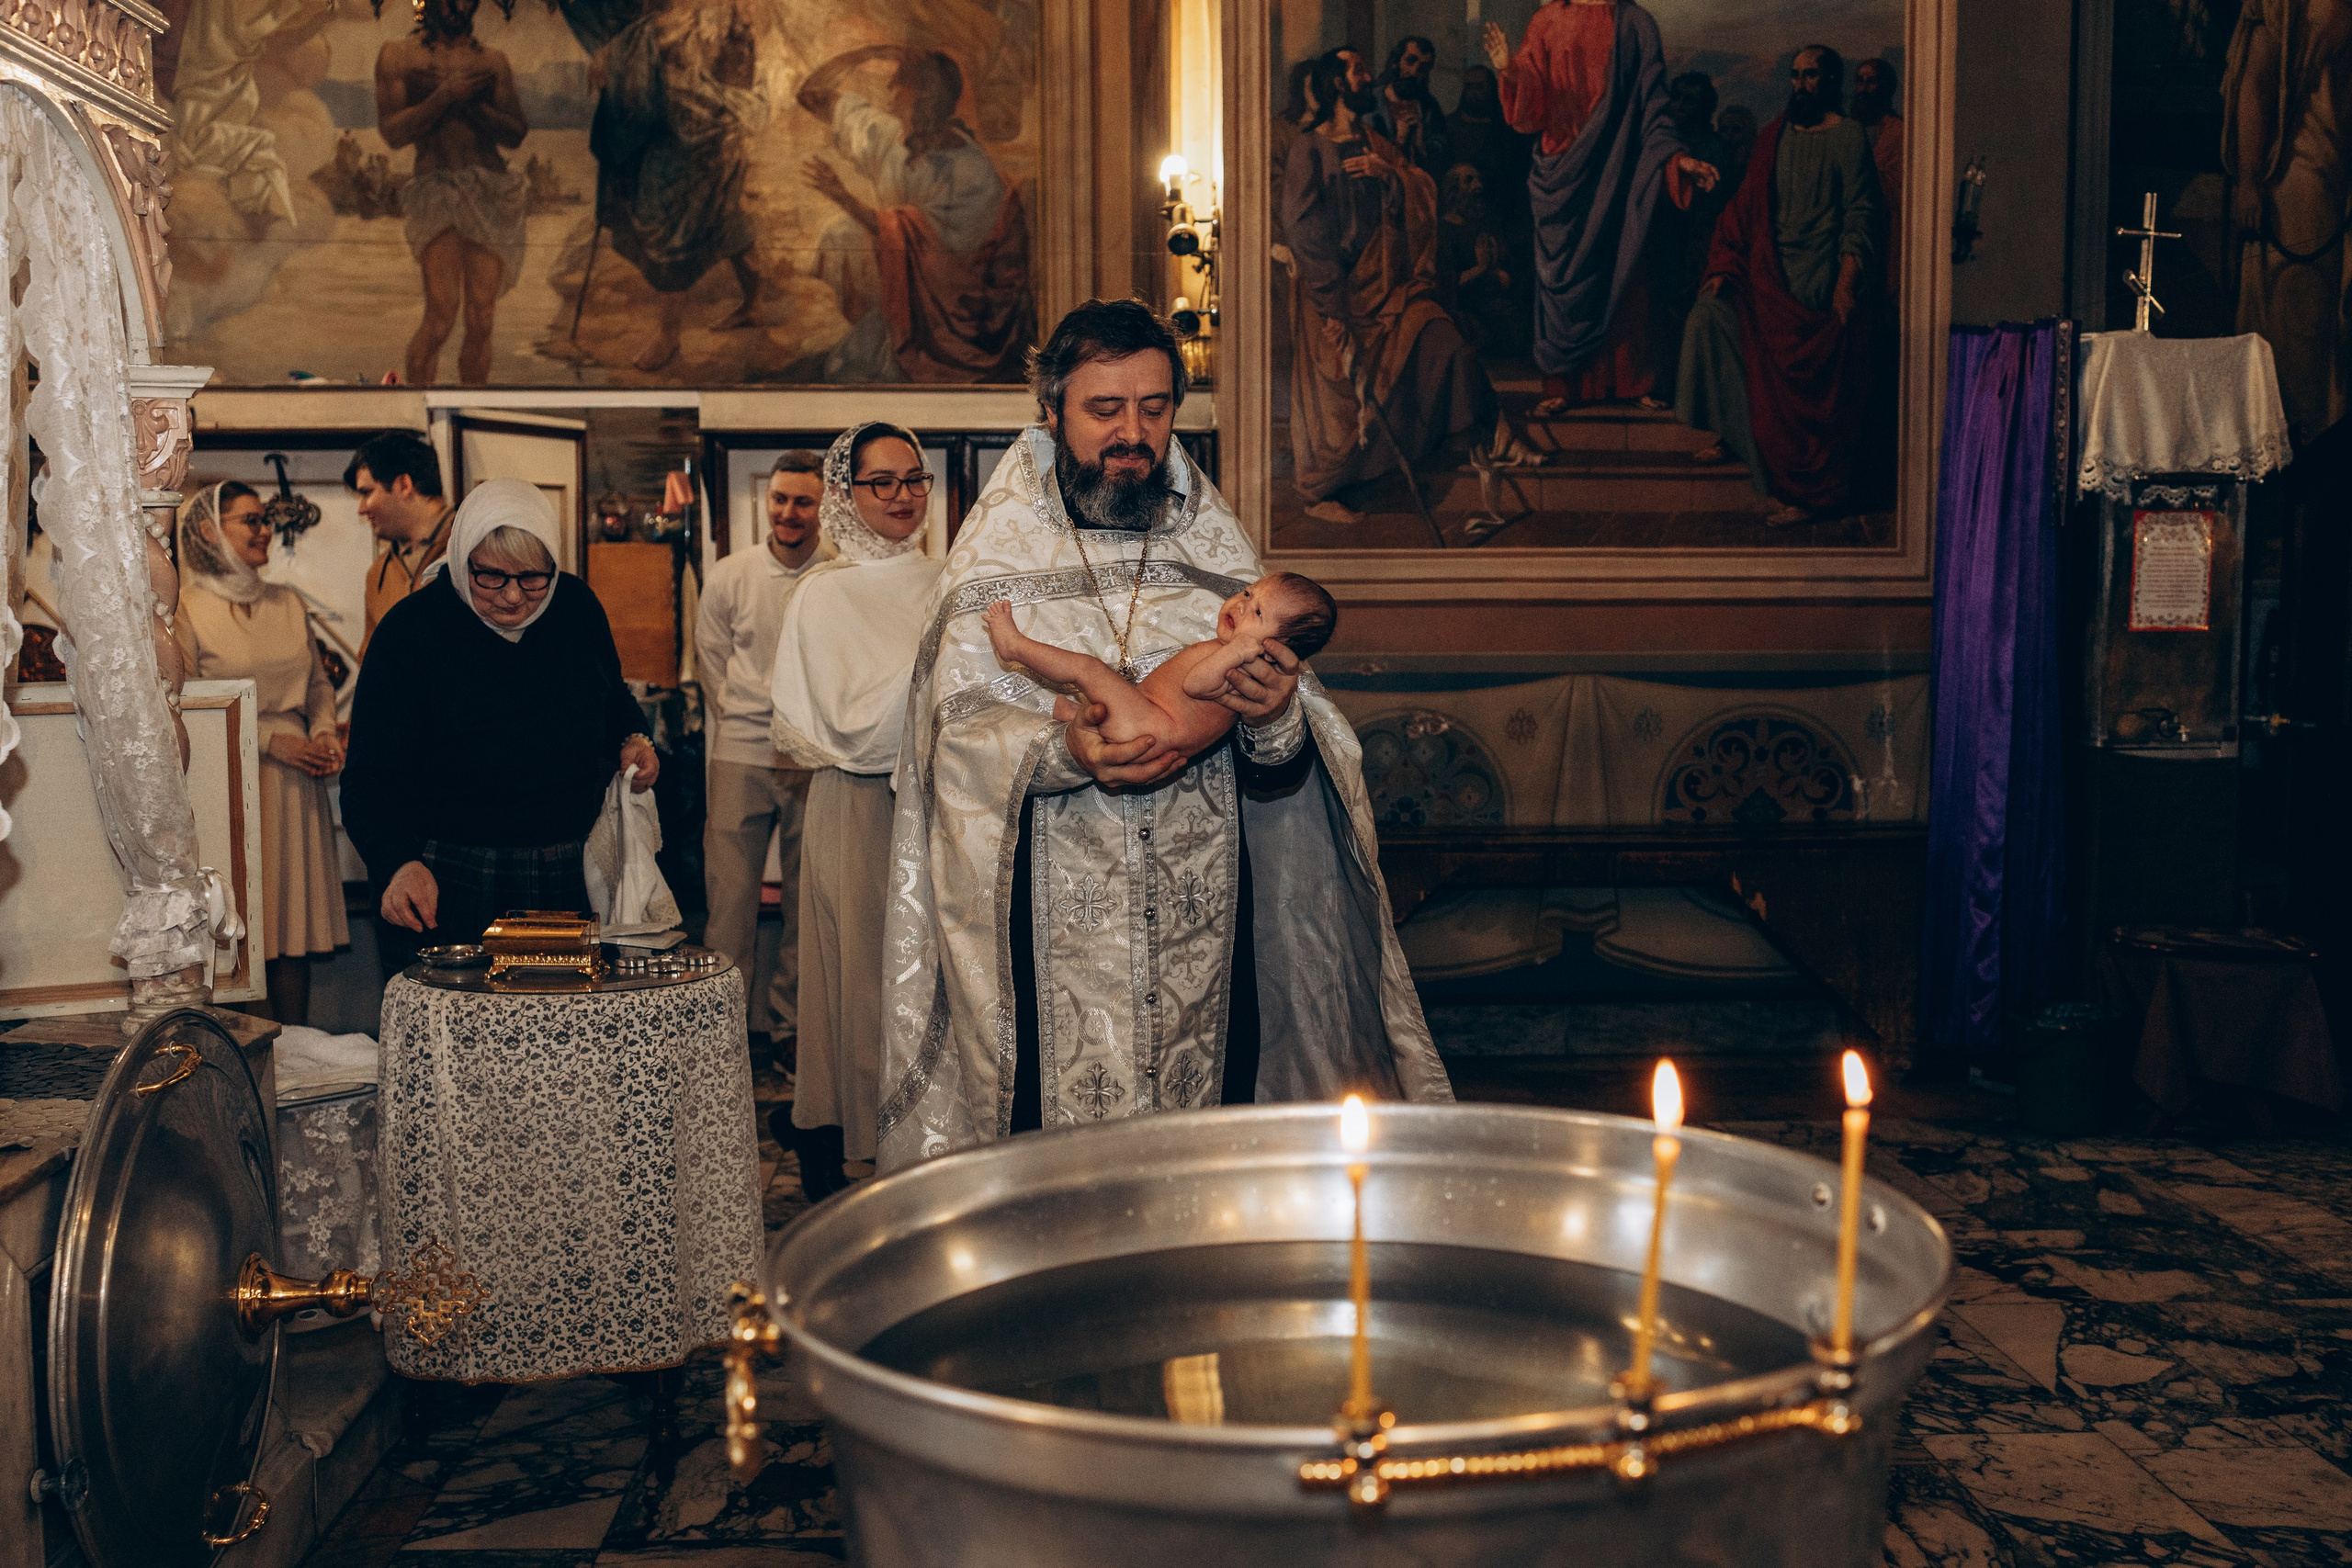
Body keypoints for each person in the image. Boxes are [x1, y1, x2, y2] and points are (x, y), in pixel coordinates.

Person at [876, 299, 1451, 1171]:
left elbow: (1302, 753)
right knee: (1052, 1176)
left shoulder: (1216, 553)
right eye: (1104, 410)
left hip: (1206, 936)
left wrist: (1272, 720)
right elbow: (956, 730)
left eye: (1153, 408)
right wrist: (1067, 751)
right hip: (1044, 933)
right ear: (1052, 414)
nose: (1131, 434)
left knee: (1202, 1166)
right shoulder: (992, 564)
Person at [342, 480, 657, 978]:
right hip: (447, 875)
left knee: (563, 1035)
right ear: (463, 556)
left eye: (533, 578)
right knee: (458, 1039)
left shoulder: (575, 609)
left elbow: (610, 695)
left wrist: (634, 738)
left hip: (564, 869)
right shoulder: (411, 632)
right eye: (490, 576)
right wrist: (398, 863)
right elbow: (367, 778)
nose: (513, 597)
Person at [767, 423, 941, 1200]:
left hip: (942, 802)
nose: (903, 496)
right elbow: (854, 731)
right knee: (868, 979)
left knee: (938, 977)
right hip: (864, 805)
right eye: (883, 482)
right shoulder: (824, 595)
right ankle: (864, 1146)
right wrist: (941, 671)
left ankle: (934, 1132)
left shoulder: (952, 578)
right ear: (847, 495)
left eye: (915, 478)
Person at [1283, 47, 1524, 525]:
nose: (1369, 77)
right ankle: (1322, 491)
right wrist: (1333, 308)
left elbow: (1422, 189)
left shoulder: (1374, 141)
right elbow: (1304, 227)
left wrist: (1390, 176)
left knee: (1443, 337)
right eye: (1359, 70)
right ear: (1336, 83)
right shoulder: (1309, 148)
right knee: (1338, 406)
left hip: (1386, 288)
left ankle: (1472, 440)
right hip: (1332, 297)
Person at [1675, 45, 1883, 526]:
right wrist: (1725, 267)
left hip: (1819, 285)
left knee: (1816, 377)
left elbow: (1861, 216)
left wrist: (1847, 282)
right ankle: (1742, 439)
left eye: (1810, 76)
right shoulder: (1774, 137)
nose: (1800, 84)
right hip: (1767, 279)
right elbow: (1741, 212)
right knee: (1708, 316)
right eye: (1794, 75)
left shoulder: (1849, 137)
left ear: (1830, 81)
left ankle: (1804, 494)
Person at [1484, 1, 1718, 414]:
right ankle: (1564, 383)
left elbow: (1654, 105)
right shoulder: (1548, 19)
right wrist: (1510, 70)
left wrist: (1677, 158)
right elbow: (1531, 111)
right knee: (1563, 282)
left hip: (1622, 170)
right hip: (1564, 172)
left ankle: (1633, 380)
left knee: (1627, 276)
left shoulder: (1636, 23)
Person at [175, 482, 348, 1024]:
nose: (265, 530)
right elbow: (183, 705)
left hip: (297, 785)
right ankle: (247, 1057)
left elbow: (318, 684)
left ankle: (294, 1045)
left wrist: (323, 734)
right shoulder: (185, 608)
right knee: (244, 922)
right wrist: (274, 743)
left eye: (266, 519)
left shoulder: (288, 601)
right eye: (250, 519)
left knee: (291, 924)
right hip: (230, 776)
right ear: (209, 530)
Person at [799, 44, 1034, 384]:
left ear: (925, 97)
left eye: (900, 84)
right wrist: (863, 54)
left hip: (953, 326)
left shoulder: (971, 171)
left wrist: (844, 197)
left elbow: (943, 263)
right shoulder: (886, 138)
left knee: (848, 373)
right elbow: (811, 95)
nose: (890, 91)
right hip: (907, 303)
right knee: (839, 367)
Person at [695, 451, 824, 1071]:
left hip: (811, 756)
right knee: (729, 899)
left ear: (823, 507)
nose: (789, 513)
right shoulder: (729, 574)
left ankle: (792, 1028)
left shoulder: (836, 575)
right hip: (740, 750)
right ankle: (721, 1034)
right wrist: (748, 718)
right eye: (779, 499)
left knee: (807, 898)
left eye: (803, 501)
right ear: (765, 502)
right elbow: (711, 662)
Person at [983, 571, 1338, 761]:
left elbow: (1196, 685)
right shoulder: (1236, 653)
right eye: (1247, 593)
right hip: (1147, 720)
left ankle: (1015, 646)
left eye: (1258, 612)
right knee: (1093, 695)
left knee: (1089, 670)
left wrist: (1234, 653)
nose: (1242, 605)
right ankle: (1073, 714)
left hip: (1149, 729)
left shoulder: (1245, 667)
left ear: (1277, 649)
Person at [591, 0, 768, 374]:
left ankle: (670, 334)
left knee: (669, 227)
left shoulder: (712, 14)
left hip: (706, 128)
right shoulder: (662, 22)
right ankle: (751, 303)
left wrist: (618, 52)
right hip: (676, 126)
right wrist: (614, 54)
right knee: (723, 219)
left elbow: (732, 64)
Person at [374, 0, 528, 389]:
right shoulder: (398, 56)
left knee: (482, 317)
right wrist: (443, 97)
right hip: (436, 190)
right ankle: (418, 412)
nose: (456, 3)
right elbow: (393, 132)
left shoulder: (493, 62)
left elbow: (515, 132)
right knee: (441, 313)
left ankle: (471, 411)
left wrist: (470, 104)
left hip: (489, 191)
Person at [2224, 0, 2352, 437]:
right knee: (2297, 329)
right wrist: (2249, 179)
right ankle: (2293, 450)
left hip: (2338, 179)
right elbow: (2256, 81)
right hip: (2301, 175)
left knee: (2330, 337)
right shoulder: (2286, 7)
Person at [345, 431, 454, 653]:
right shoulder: (377, 574)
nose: (361, 508)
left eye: (367, 493)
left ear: (404, 484)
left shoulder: (478, 552)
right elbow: (369, 658)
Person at [1851, 58, 1904, 301]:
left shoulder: (1899, 132)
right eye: (1859, 81)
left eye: (1871, 81)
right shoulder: (1846, 132)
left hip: (1885, 232)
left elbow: (1900, 185)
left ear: (1885, 86)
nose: (1864, 88)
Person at [1368, 35, 1451, 175]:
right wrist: (1400, 141)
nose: (1414, 72)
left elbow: (1441, 152)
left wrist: (1420, 144)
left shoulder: (1429, 107)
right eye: (1410, 61)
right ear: (1396, 62)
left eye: (1423, 67)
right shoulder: (1371, 102)